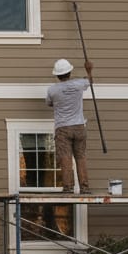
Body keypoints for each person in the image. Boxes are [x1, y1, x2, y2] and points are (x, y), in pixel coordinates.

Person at [46, 58, 94, 193]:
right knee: (81, 156)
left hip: (63, 128)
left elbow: (49, 103)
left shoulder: (52, 90)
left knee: (65, 158)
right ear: (70, 72)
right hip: (79, 126)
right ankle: (85, 188)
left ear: (57, 75)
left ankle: (68, 187)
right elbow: (90, 81)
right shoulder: (79, 84)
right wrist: (89, 70)